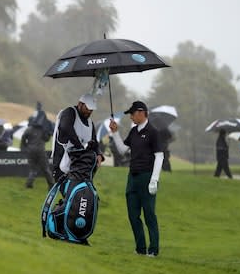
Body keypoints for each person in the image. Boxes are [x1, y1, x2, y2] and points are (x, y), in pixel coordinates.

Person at [109, 101, 163, 257]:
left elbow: (159, 156)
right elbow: (122, 150)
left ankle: (153, 250)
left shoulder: (153, 132)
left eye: (132, 114)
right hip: (132, 177)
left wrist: (154, 179)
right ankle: (140, 248)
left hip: (147, 177)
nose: (131, 117)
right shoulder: (133, 132)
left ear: (141, 112)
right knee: (133, 215)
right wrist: (115, 132)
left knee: (149, 215)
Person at [52, 94, 104, 182]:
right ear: (80, 104)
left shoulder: (90, 123)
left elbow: (94, 141)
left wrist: (99, 154)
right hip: (62, 166)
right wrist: (80, 147)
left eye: (91, 110)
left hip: (80, 168)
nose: (89, 112)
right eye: (87, 108)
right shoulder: (69, 112)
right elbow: (66, 128)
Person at [21, 108, 55, 189]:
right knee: (46, 168)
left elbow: (23, 138)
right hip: (40, 151)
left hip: (30, 151)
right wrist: (49, 134)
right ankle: (51, 185)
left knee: (33, 169)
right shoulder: (43, 130)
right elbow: (46, 139)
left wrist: (26, 146)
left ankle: (29, 184)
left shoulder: (29, 129)